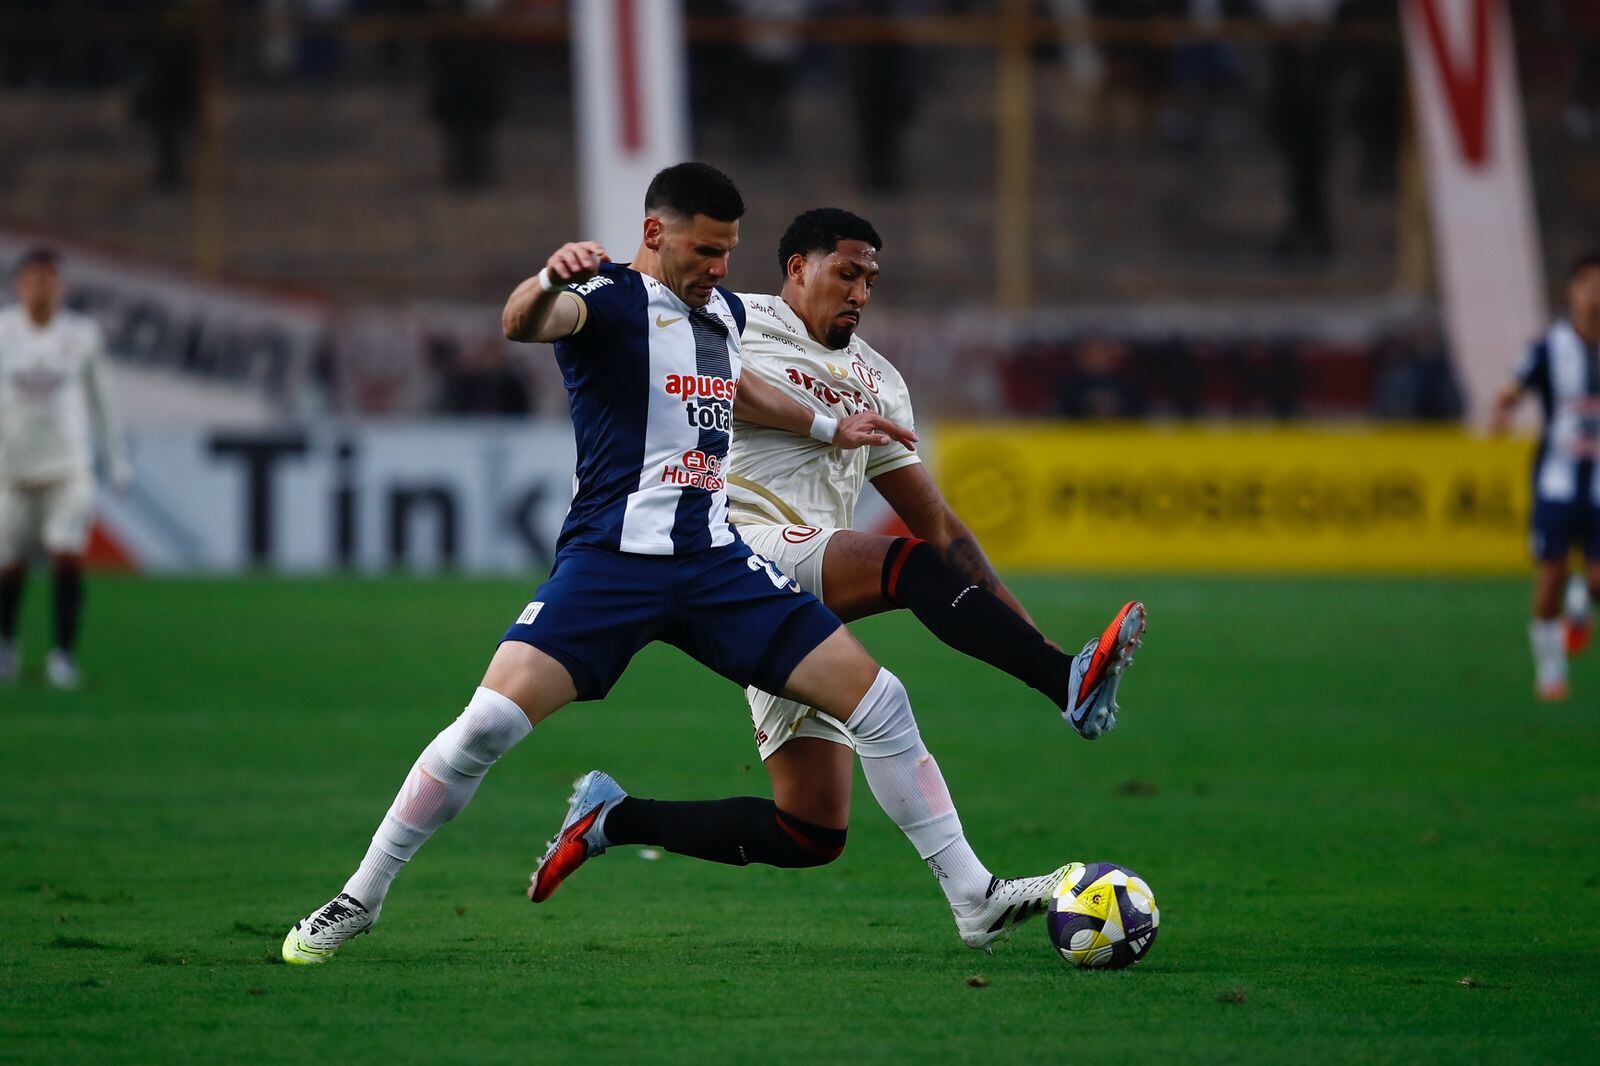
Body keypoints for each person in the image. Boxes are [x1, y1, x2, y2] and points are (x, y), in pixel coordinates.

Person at [282, 163, 1105, 964]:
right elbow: (523, 324)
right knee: (488, 725)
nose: (720, 270)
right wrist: (545, 277)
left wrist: (827, 428)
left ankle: (973, 898)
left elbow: (735, 392)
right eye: (707, 252)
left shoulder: (722, 319)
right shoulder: (606, 296)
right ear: (654, 234)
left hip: (716, 564)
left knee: (880, 701)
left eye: (728, 253)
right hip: (611, 564)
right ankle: (361, 896)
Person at [528, 208, 1145, 950]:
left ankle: (613, 818)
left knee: (812, 829)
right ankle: (986, 871)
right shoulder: (734, 319)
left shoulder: (878, 380)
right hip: (726, 548)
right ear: (798, 270)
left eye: (871, 279)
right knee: (904, 565)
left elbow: (943, 528)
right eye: (846, 273)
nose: (860, 291)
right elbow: (644, 350)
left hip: (791, 596)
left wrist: (1039, 642)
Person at [0, 248, 130, 689]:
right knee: (11, 566)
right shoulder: (2, 332)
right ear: (20, 286)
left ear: (62, 287)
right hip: (11, 472)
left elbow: (102, 401)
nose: (41, 288)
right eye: (33, 280)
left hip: (69, 469)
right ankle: (6, 648)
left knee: (67, 556)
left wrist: (117, 462)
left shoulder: (83, 335)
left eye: (49, 280)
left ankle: (63, 657)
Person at [1490, 250, 1600, 701]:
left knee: (1596, 580)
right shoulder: (1547, 348)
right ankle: (1550, 668)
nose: (1596, 294)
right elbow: (1514, 388)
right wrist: (1503, 410)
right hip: (1556, 481)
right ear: (1571, 292)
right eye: (1589, 284)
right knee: (1549, 575)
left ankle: (1581, 603)